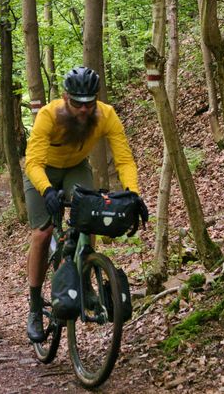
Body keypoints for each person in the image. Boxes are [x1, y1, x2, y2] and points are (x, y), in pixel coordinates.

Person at [24, 66, 140, 343]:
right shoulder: (49, 116)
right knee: (42, 233)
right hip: (43, 171)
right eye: (77, 103)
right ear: (65, 97)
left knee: (91, 217)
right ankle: (35, 306)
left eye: (89, 103)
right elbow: (33, 163)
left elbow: (123, 159)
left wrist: (133, 193)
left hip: (76, 167)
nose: (84, 109)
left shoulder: (106, 115)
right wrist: (47, 190)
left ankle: (85, 280)